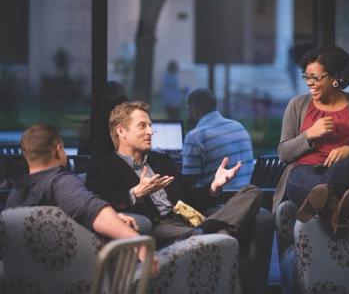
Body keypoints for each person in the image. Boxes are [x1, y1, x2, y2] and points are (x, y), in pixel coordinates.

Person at [85, 101, 262, 249]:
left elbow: (190, 197)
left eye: (150, 125)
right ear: (121, 131)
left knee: (252, 192)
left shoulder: (162, 161)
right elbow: (97, 206)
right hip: (160, 227)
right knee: (224, 236)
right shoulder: (103, 168)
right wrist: (135, 193)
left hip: (190, 221)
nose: (150, 131)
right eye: (142, 126)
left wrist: (214, 186)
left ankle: (208, 232)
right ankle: (214, 232)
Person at [4, 124, 159, 273]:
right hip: (79, 273)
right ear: (58, 149)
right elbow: (91, 209)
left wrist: (115, 217)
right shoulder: (60, 182)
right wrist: (139, 245)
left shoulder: (15, 194)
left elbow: (56, 219)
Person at [273, 45, 349, 237]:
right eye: (306, 77)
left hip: (344, 173)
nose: (309, 83)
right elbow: (284, 153)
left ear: (336, 79)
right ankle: (335, 211)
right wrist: (309, 135)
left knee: (344, 167)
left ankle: (321, 202)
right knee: (295, 178)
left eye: (316, 78)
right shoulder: (297, 105)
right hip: (305, 174)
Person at [182, 88, 254, 191]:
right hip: (246, 198)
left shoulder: (196, 136)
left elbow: (188, 183)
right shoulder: (239, 127)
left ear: (194, 109)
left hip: (218, 201)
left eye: (187, 109)